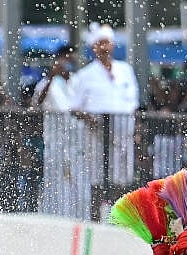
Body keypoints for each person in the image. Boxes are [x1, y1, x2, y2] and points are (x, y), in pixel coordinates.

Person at [67, 24, 140, 218]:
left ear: (113, 45)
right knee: (97, 178)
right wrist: (93, 121)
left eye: (107, 43)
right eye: (100, 44)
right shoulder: (85, 75)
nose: (105, 48)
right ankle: (96, 218)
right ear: (94, 47)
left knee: (122, 179)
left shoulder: (125, 70)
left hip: (123, 135)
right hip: (97, 137)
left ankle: (119, 218)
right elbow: (74, 107)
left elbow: (133, 104)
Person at [33, 46, 79, 216]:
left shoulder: (76, 83)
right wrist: (52, 77)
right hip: (55, 141)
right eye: (67, 59)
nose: (69, 64)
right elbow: (37, 102)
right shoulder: (47, 83)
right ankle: (52, 213)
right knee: (54, 178)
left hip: (75, 141)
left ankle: (73, 214)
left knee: (74, 180)